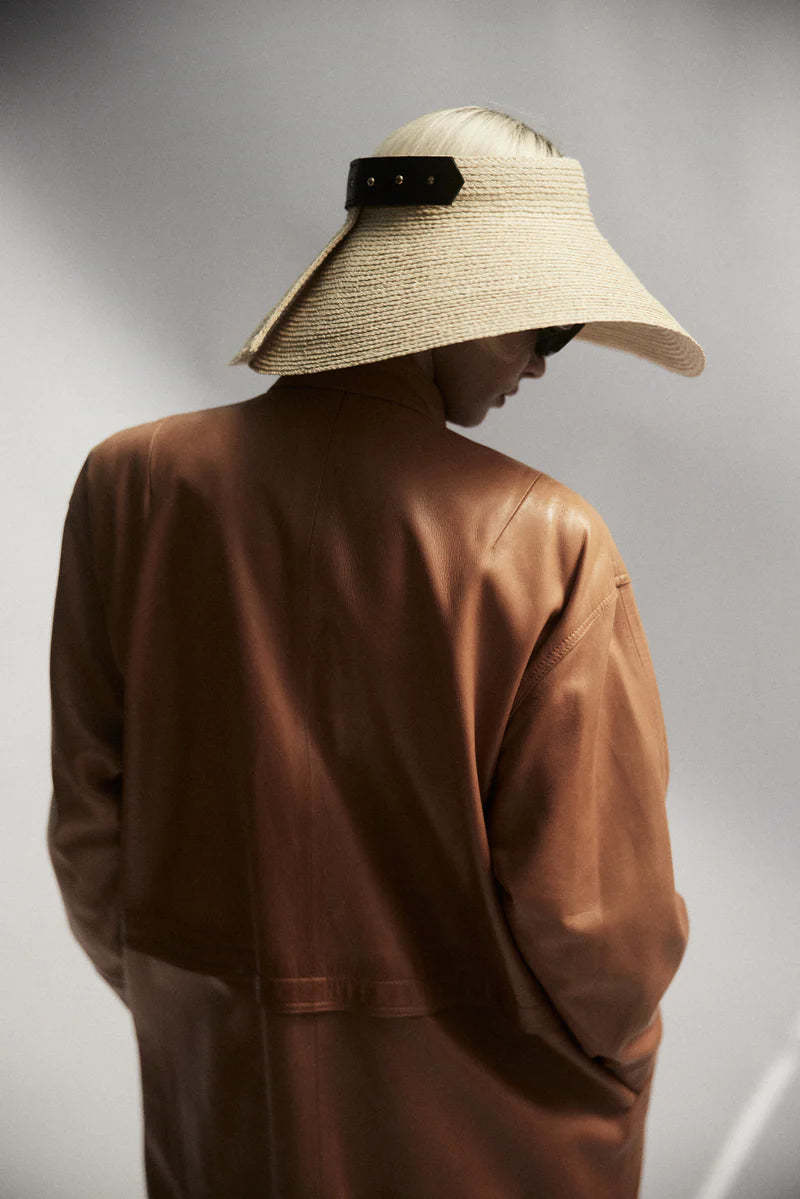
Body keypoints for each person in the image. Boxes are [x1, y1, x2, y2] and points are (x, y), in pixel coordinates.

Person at [47, 105, 704, 1198]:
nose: (543, 365)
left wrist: (198, 1000)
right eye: (543, 327)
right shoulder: (546, 540)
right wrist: (621, 1056)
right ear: (458, 302)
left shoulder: (132, 484)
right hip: (490, 1127)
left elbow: (88, 824)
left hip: (224, 1107)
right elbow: (595, 923)